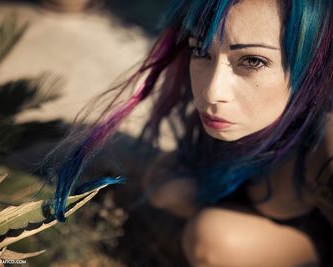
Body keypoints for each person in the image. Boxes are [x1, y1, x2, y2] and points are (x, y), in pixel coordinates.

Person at [50, 0, 333, 266]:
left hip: (310, 238)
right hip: (244, 198)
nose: (212, 91)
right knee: (168, 189)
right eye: (200, 51)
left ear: (311, 65)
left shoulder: (326, 144)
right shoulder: (235, 113)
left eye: (252, 61)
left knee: (211, 239)